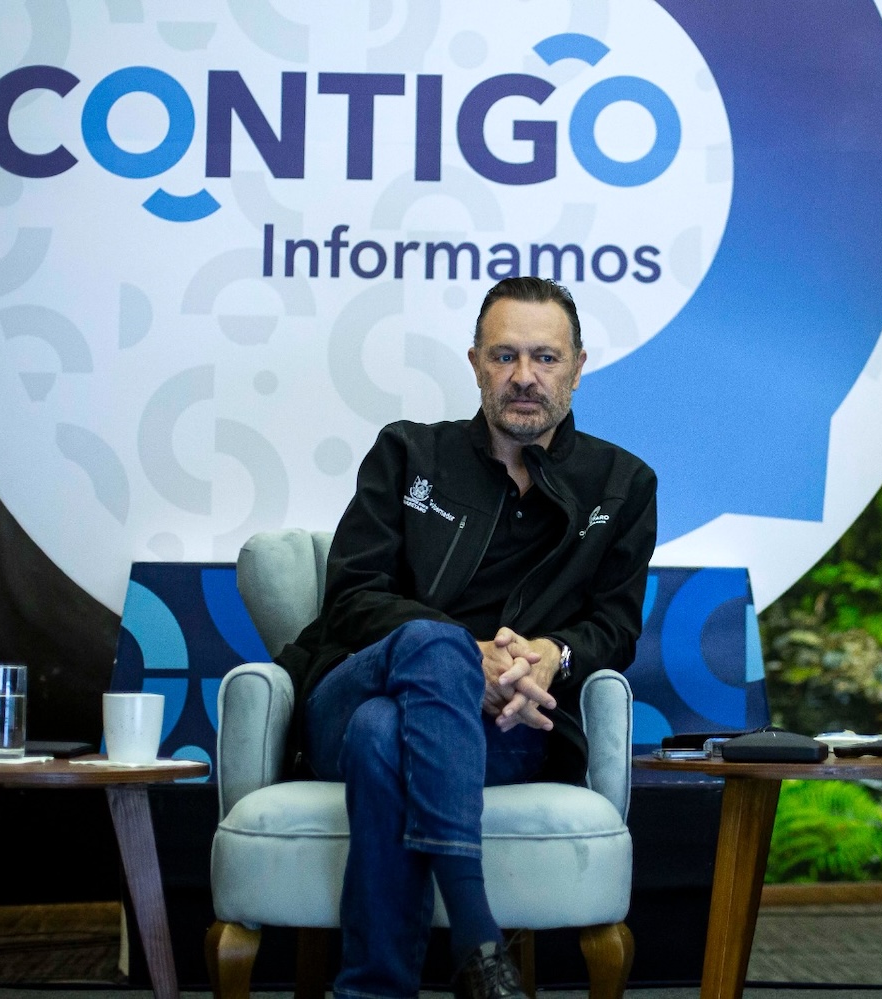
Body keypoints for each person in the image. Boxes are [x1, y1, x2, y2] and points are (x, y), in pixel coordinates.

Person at [274, 277, 657, 999]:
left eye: (545, 357)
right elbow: (352, 596)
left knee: (384, 733)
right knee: (431, 648)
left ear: (578, 367)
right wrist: (461, 654)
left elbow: (615, 626)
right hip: (352, 690)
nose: (524, 376)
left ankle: (372, 989)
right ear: (476, 363)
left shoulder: (623, 484)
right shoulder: (408, 453)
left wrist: (551, 655)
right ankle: (478, 940)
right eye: (505, 355)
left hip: (507, 722)